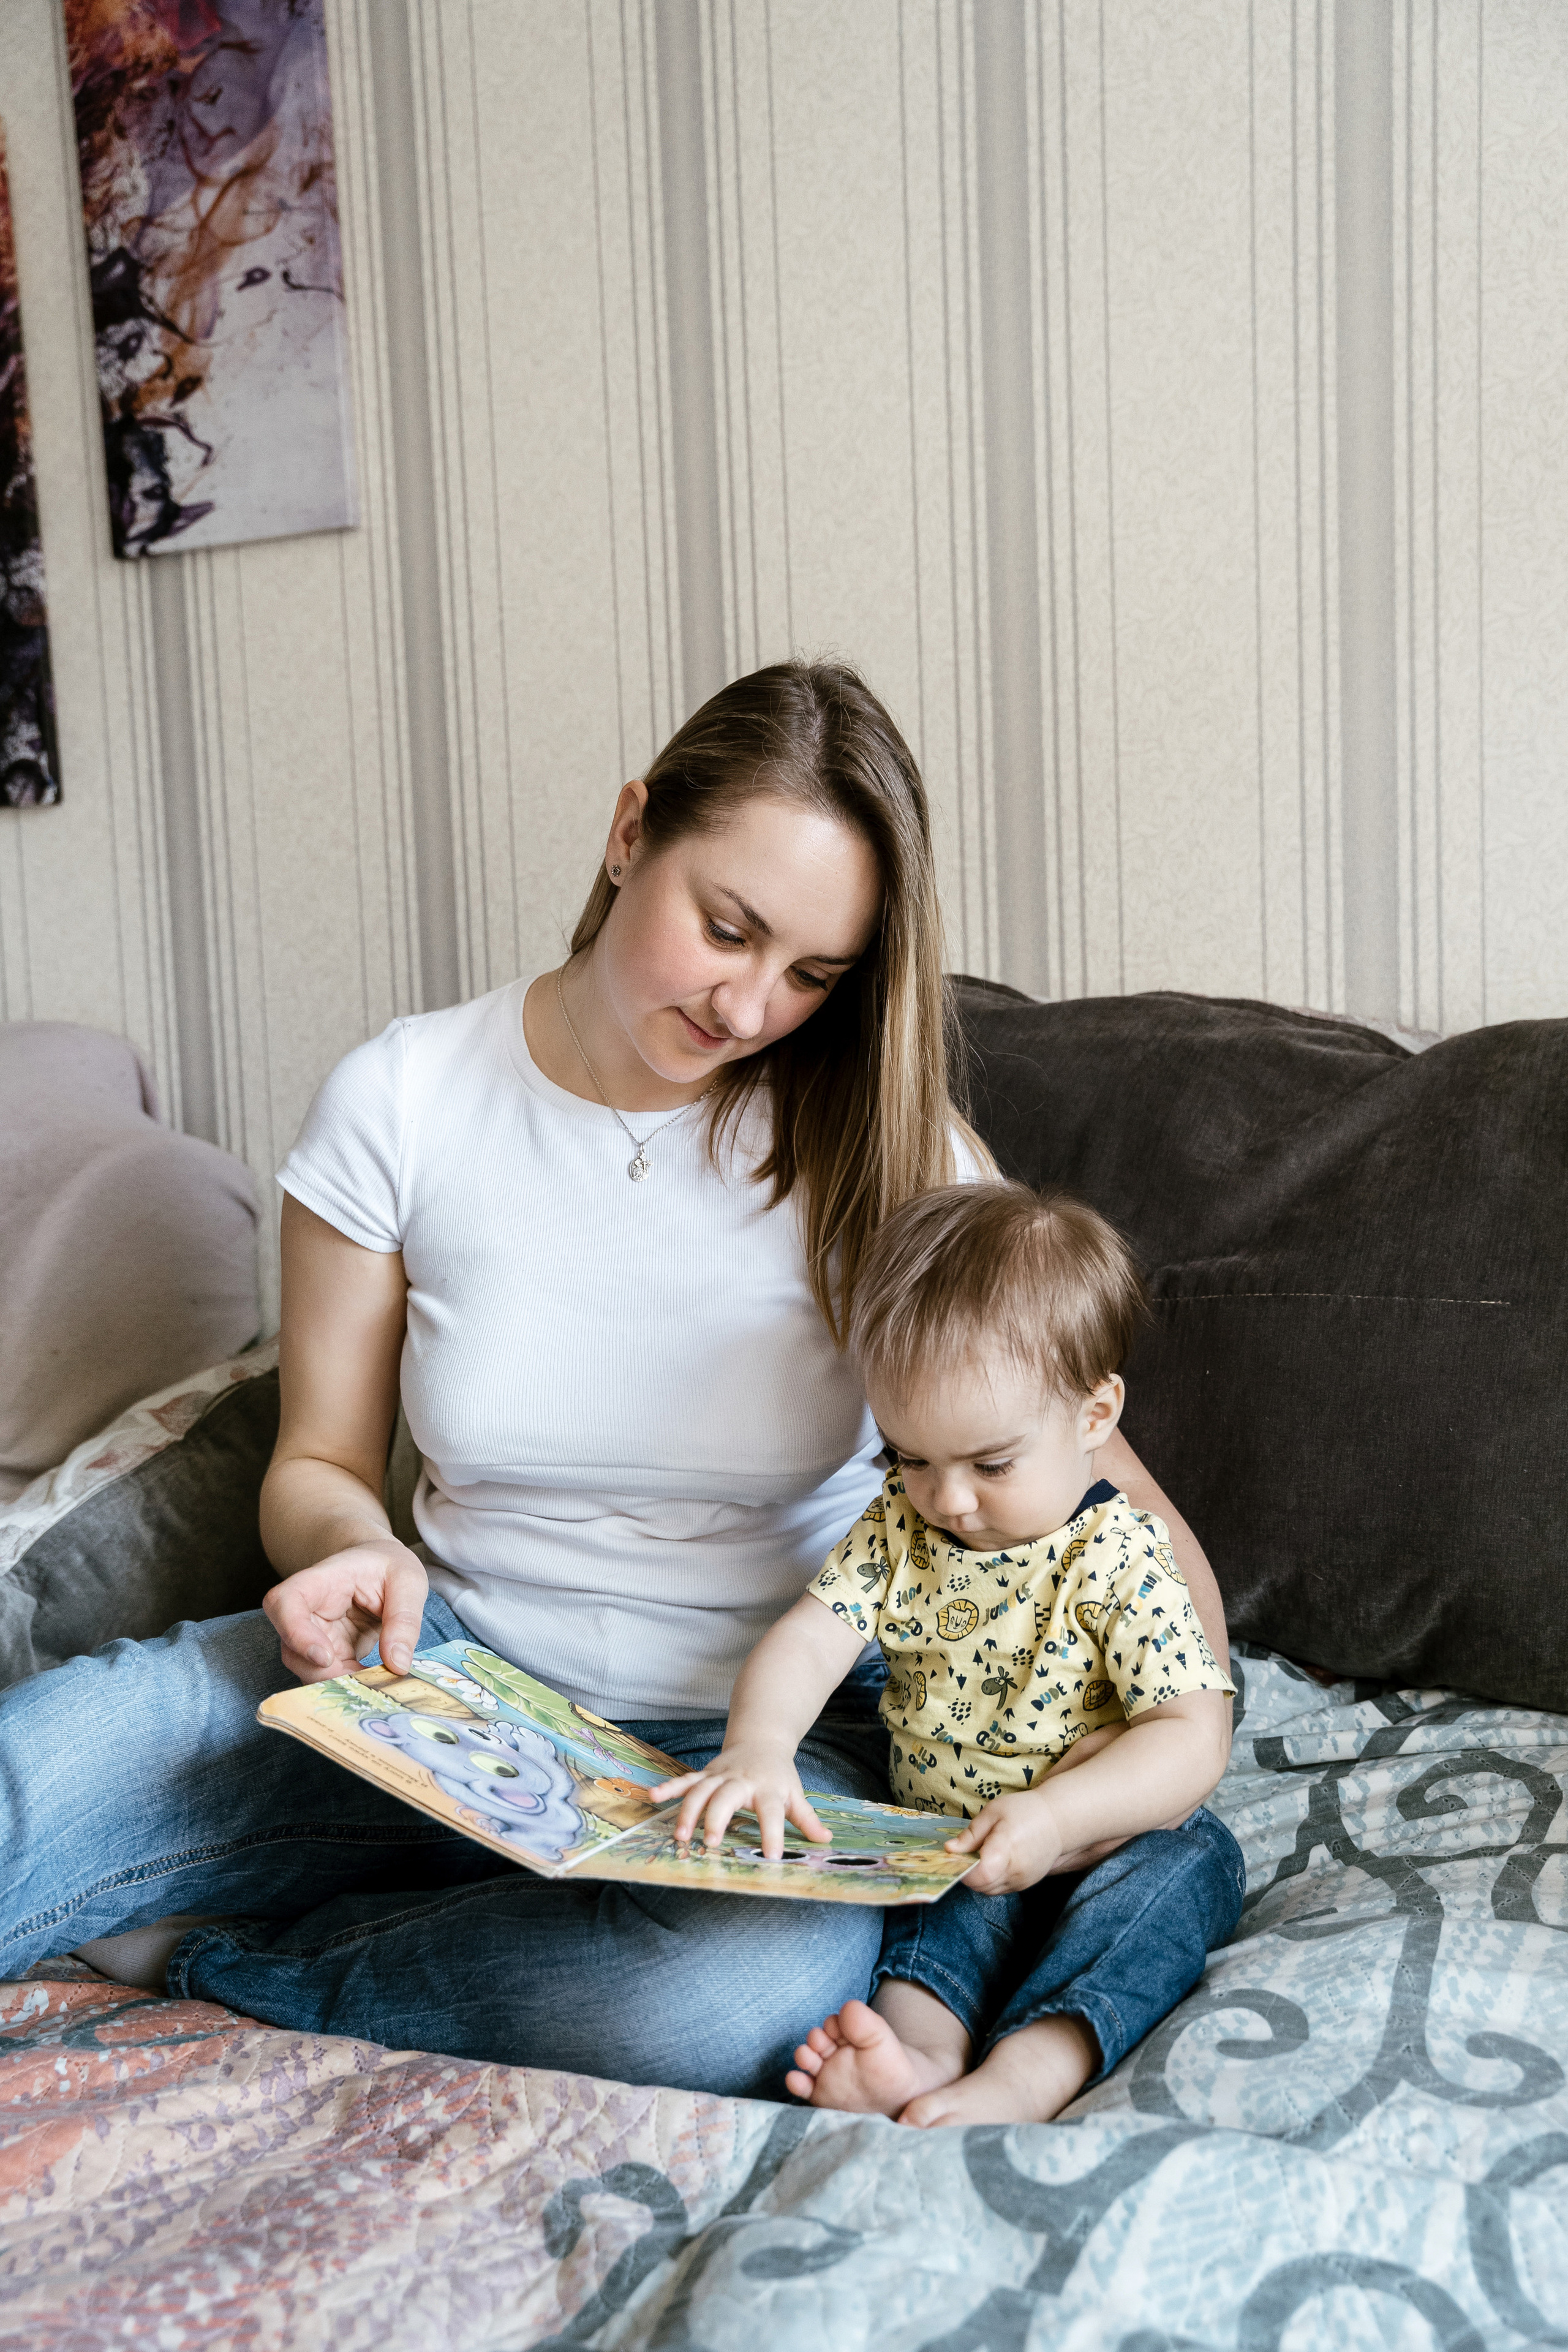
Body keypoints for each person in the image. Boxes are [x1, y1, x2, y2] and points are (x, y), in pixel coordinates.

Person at [0, 658, 1232, 2100]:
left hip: (762, 1743)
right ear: (629, 831)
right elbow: (319, 1461)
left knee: (726, 1996)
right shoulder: (404, 1098)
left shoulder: (892, 1150)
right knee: (40, 1767)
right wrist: (351, 1553)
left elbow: (1095, 1491)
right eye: (727, 929)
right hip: (437, 1684)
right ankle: (415, 1919)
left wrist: (1162, 1734)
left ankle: (220, 1959)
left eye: (812, 974)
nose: (752, 1005)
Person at [657, 1181, 1242, 2122]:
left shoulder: (1120, 1555)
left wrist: (1056, 1818)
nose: (950, 1500)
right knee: (937, 1917)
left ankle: (1028, 2073)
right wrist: (759, 1748)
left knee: (1184, 1879)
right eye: (910, 1457)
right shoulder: (903, 1530)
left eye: (991, 1464)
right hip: (956, 1839)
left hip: (1107, 1833)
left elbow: (1190, 1736)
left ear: (1094, 1420)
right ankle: (922, 2058)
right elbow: (811, 1637)